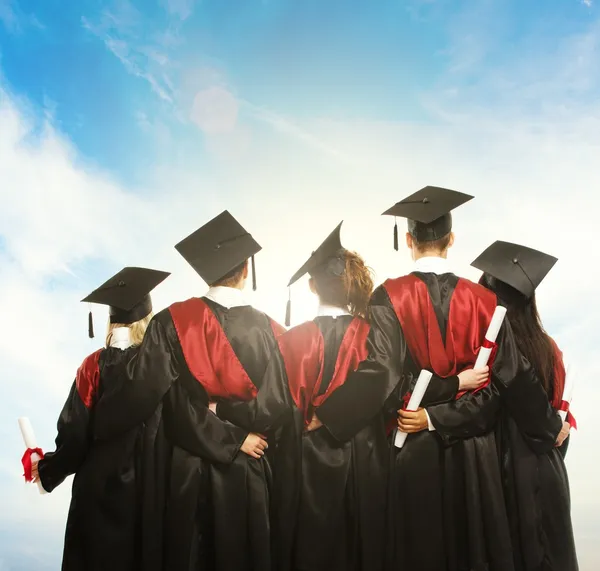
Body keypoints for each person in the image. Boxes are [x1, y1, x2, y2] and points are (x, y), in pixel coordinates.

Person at [310, 186, 563, 571]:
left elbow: (381, 374)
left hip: (413, 448)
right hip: (475, 454)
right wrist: (549, 427)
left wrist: (329, 416)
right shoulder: (484, 300)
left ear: (408, 240)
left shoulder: (388, 296)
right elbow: (510, 377)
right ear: (452, 239)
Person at [217, 221, 485, 571]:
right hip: (368, 460)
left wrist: (222, 409)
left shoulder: (290, 341)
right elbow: (395, 392)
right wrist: (456, 384)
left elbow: (269, 408)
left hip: (302, 464)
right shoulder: (376, 336)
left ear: (312, 286)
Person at [91, 210, 285, 571]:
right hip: (249, 462)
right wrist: (239, 434)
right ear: (246, 270)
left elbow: (148, 395)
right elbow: (276, 404)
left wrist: (95, 426)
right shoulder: (270, 330)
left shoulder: (171, 320)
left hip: (186, 466)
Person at [29, 266, 170, 571]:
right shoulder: (159, 369)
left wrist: (47, 468)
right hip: (148, 490)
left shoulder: (91, 367)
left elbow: (74, 438)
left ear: (109, 318)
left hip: (96, 495)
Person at [472, 240, 578, 571]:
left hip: (493, 475)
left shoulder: (481, 352)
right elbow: (560, 429)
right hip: (544, 474)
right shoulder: (550, 350)